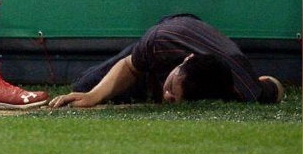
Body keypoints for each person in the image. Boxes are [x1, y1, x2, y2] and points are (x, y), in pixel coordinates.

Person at [49, 14, 285, 107]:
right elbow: (129, 65)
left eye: (177, 98)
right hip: (165, 41)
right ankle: (146, 84)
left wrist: (260, 83)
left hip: (196, 59)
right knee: (83, 88)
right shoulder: (160, 42)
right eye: (171, 87)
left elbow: (275, 87)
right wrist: (93, 96)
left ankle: (150, 88)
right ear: (186, 60)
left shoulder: (241, 86)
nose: (167, 95)